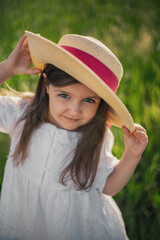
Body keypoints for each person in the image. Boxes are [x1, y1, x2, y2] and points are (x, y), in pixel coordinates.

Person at [0, 31, 148, 240]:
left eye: (89, 100)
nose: (74, 110)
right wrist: (7, 68)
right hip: (24, 221)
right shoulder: (22, 114)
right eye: (64, 95)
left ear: (100, 104)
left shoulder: (96, 135)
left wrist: (132, 156)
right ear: (47, 85)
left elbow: (107, 186)